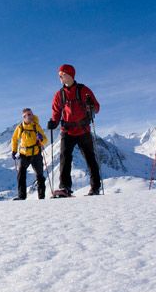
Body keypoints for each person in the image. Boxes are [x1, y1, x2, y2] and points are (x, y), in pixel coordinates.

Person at [46, 64, 102, 196]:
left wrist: (91, 107)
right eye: (59, 75)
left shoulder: (83, 90)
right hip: (67, 131)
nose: (60, 77)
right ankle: (65, 188)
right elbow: (56, 111)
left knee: (90, 159)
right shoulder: (59, 95)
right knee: (64, 158)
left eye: (62, 75)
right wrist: (54, 122)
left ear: (70, 74)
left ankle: (95, 187)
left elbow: (97, 107)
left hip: (83, 130)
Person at [11, 108, 48, 200]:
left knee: (40, 176)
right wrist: (14, 150)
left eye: (30, 114)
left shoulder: (36, 126)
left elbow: (45, 139)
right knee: (21, 175)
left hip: (36, 153)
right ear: (23, 117)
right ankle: (21, 196)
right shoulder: (20, 127)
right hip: (24, 154)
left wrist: (41, 139)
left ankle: (41, 197)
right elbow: (14, 139)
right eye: (26, 115)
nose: (29, 116)